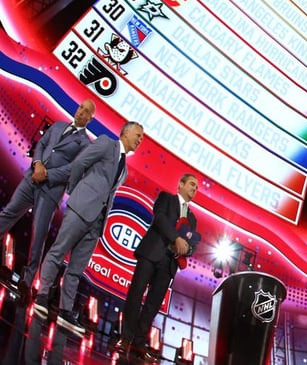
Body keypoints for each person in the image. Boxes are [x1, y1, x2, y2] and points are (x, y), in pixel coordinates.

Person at [33, 121, 144, 337]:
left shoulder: (125, 170)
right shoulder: (105, 143)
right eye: (138, 135)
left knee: (76, 268)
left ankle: (65, 310)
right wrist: (75, 191)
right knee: (58, 251)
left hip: (97, 222)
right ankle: (42, 295)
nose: (140, 140)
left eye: (141, 137)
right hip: (81, 207)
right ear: (126, 133)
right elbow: (79, 164)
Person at [0, 99, 95, 302]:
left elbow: (73, 169)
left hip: (50, 189)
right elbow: (42, 144)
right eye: (81, 108)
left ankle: (26, 281)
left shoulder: (86, 144)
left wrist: (47, 174)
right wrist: (37, 164)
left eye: (87, 111)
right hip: (31, 178)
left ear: (90, 118)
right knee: (8, 213)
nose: (81, 112)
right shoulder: (59, 125)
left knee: (38, 235)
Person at [114, 173, 199, 360]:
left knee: (153, 304)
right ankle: (125, 338)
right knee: (136, 294)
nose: (194, 189)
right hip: (152, 253)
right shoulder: (166, 198)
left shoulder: (193, 219)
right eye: (192, 184)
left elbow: (191, 244)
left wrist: (188, 249)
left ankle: (138, 343)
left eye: (197, 187)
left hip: (169, 263)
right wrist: (176, 238)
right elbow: (159, 219)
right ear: (181, 184)